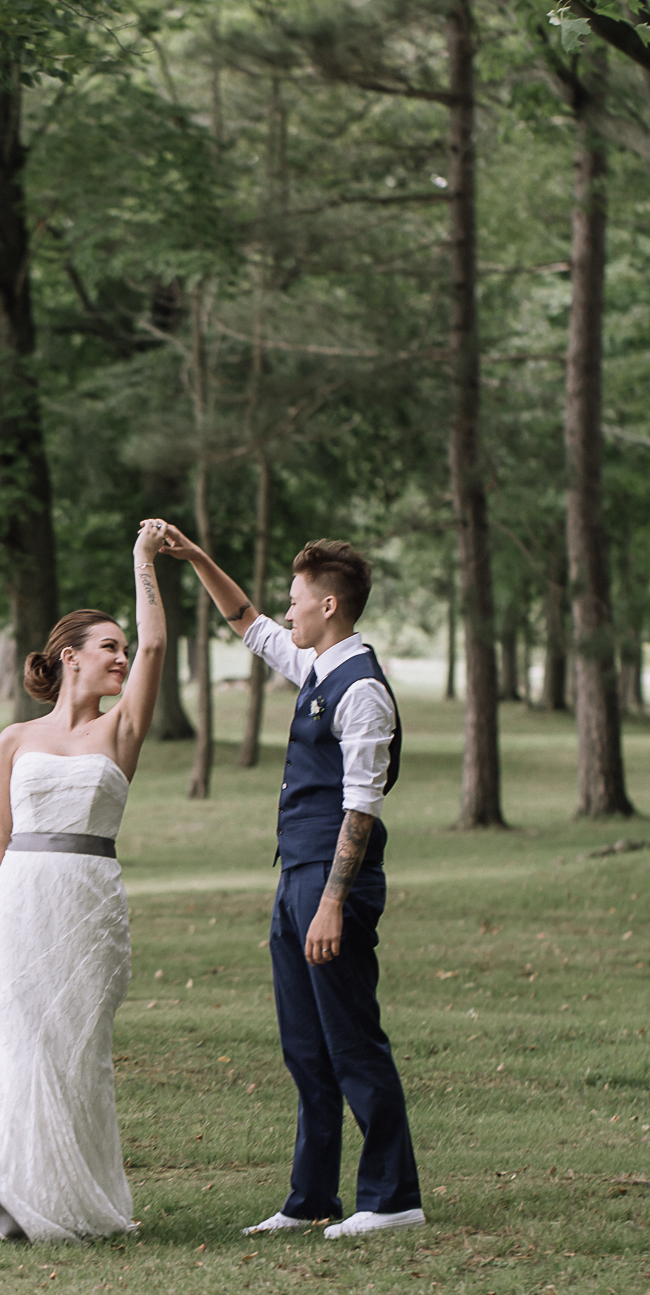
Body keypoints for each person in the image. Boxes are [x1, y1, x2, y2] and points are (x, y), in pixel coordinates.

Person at [0, 520, 170, 1243]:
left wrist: (142, 557)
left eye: (121, 646)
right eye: (106, 647)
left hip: (88, 904)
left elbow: (158, 645)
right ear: (69, 658)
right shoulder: (14, 740)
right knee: (13, 1042)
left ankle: (70, 1196)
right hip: (20, 904)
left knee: (75, 1049)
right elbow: (1, 840)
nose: (120, 657)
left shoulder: (121, 731)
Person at [158, 528, 425, 1240]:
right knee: (306, 1047)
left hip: (331, 881)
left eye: (298, 598)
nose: (288, 608)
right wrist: (194, 558)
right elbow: (245, 620)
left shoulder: (360, 687)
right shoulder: (316, 666)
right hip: (295, 874)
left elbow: (362, 804)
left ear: (329, 605)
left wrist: (332, 900)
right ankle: (311, 1198)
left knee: (351, 1039)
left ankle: (393, 1195)